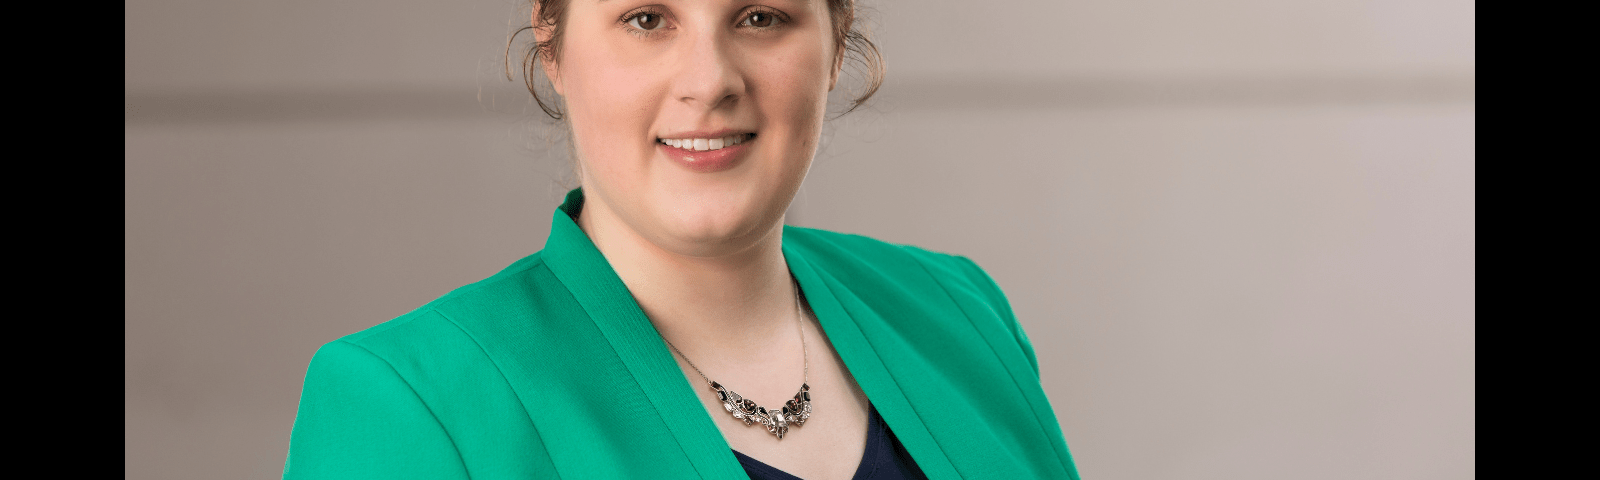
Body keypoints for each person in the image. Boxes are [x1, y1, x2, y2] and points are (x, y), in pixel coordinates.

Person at [283, 1, 1080, 478]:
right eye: (647, 19)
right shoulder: (406, 400)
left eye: (760, 16)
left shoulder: (960, 313)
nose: (709, 79)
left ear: (835, 42)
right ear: (553, 45)